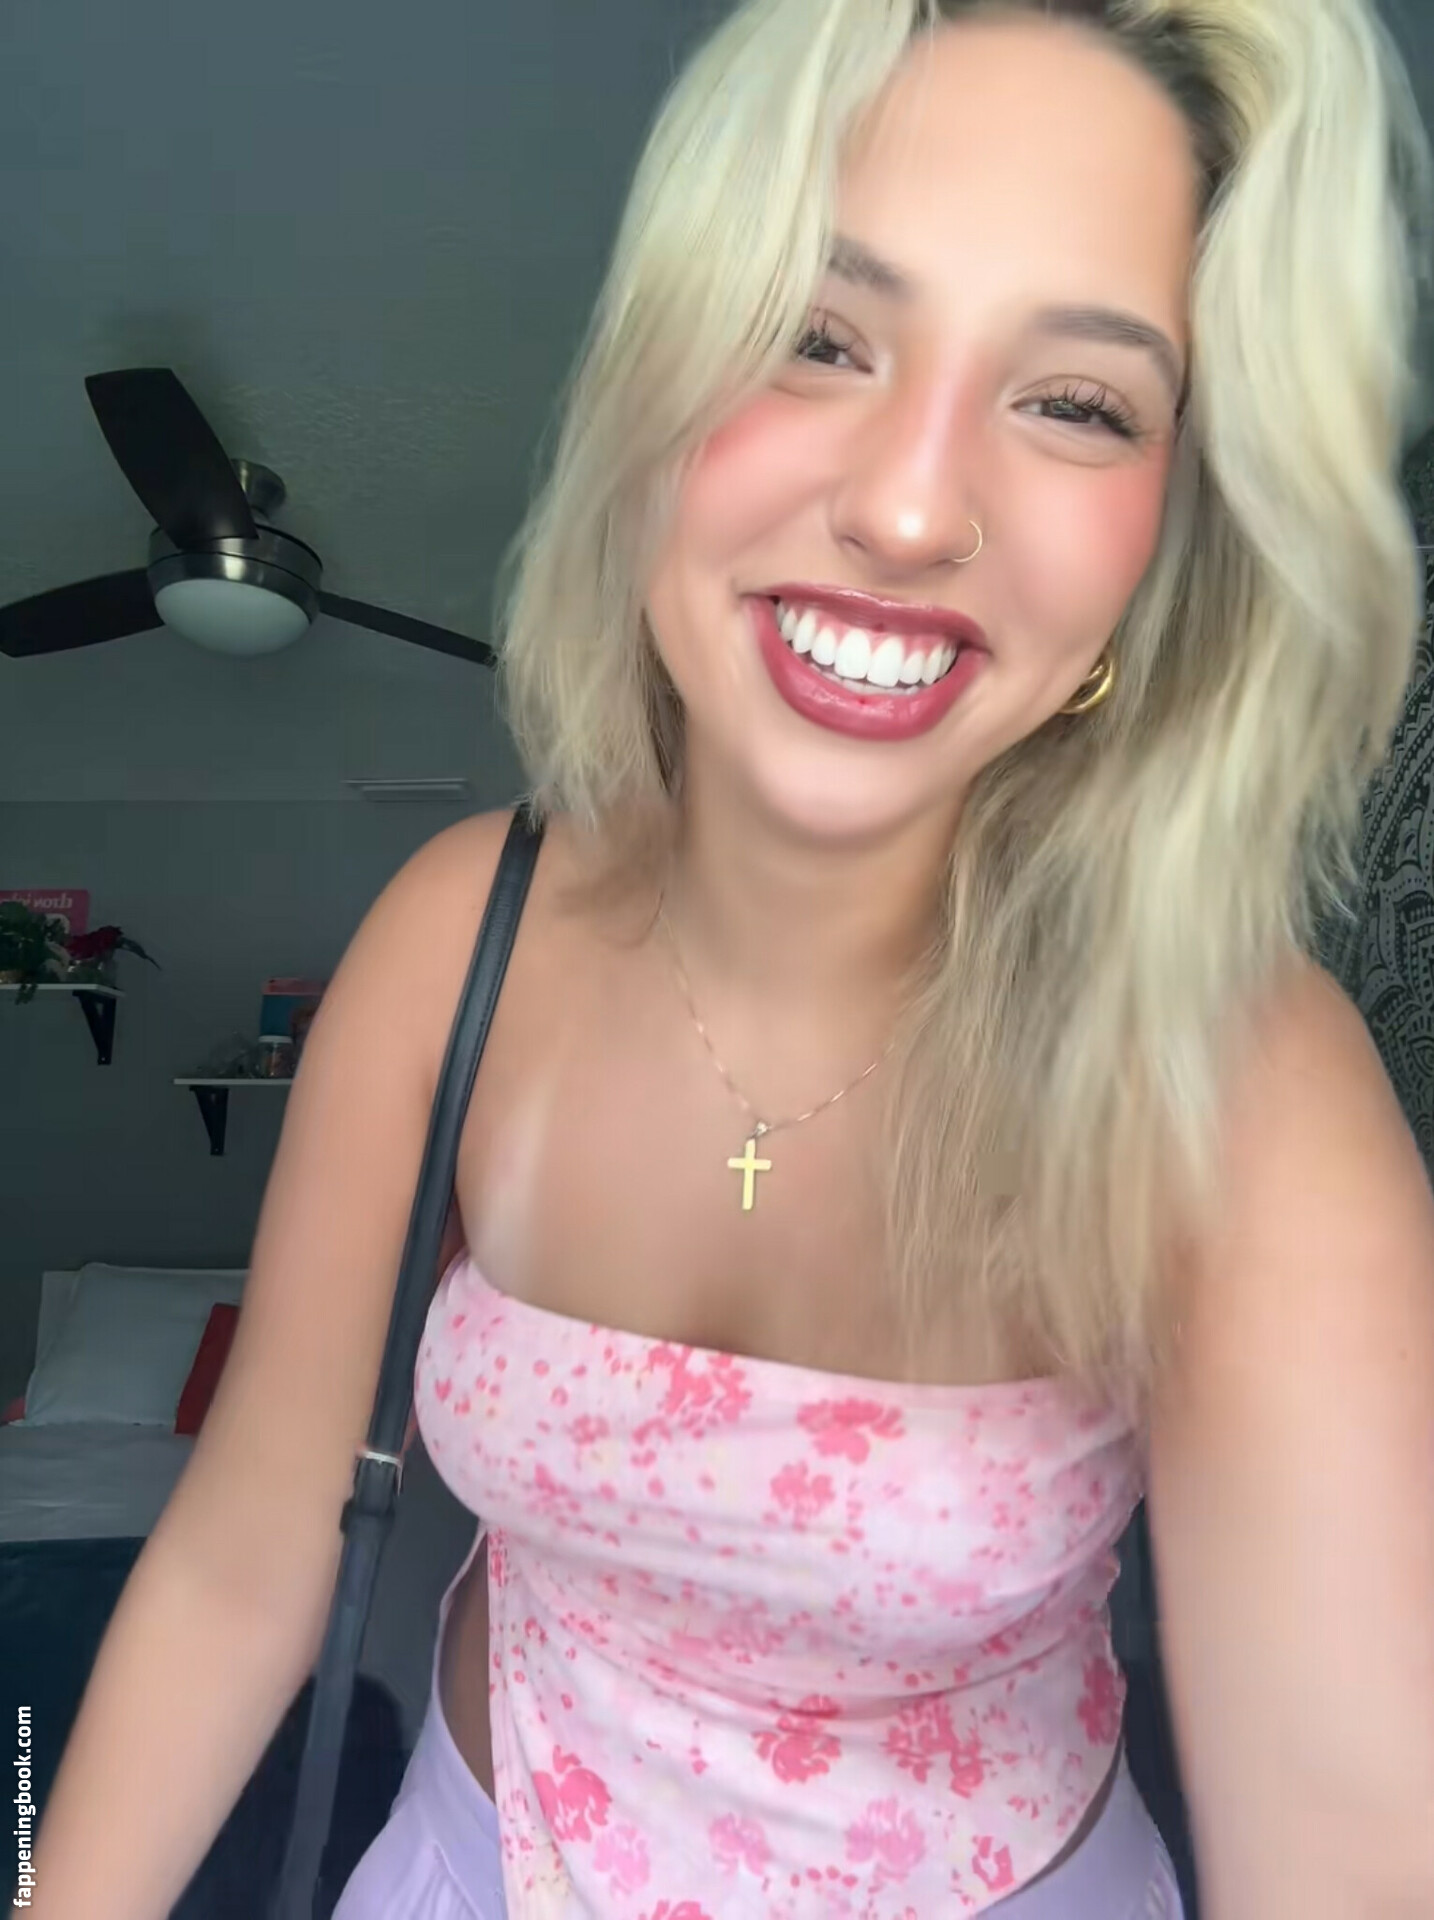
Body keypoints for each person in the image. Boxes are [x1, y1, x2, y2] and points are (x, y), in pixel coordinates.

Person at [20, 0, 1434, 1915]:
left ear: (1167, 529)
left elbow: (1349, 1828)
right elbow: (243, 1549)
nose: (910, 507)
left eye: (1077, 403)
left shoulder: (1246, 1084)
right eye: (817, 336)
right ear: (658, 389)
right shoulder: (459, 931)